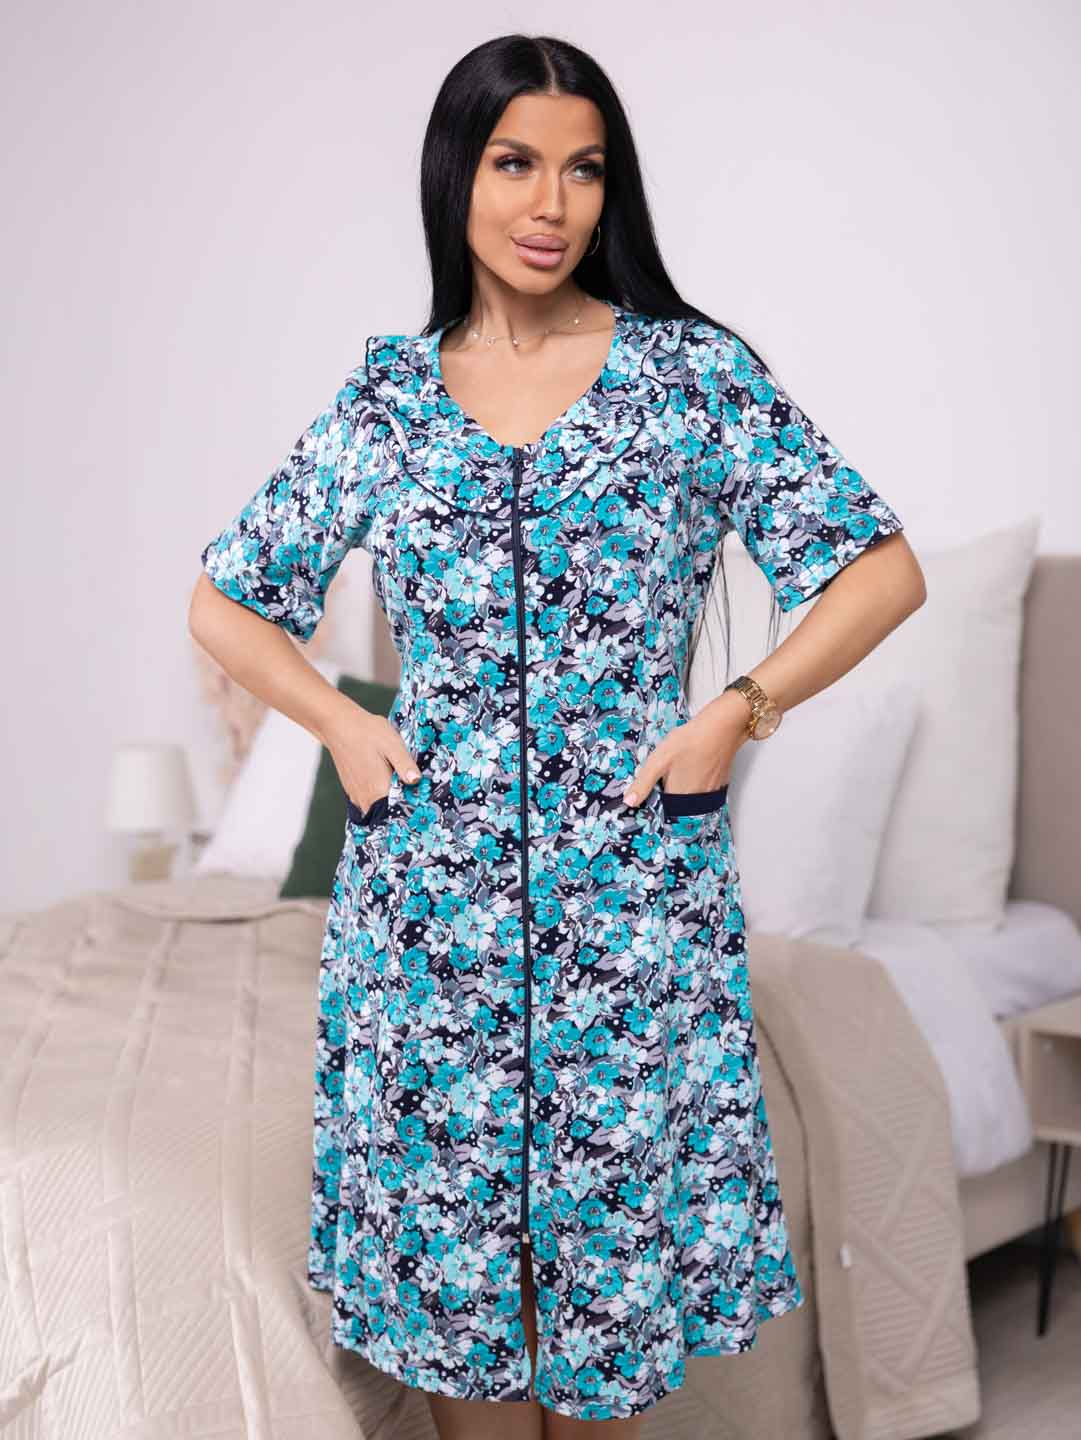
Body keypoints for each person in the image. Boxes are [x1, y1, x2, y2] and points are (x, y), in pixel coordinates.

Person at [188, 32, 926, 1440]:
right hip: (426, 925)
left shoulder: (691, 381)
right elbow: (224, 603)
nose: (550, 203)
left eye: (583, 170)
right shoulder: (386, 401)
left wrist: (736, 712)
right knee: (460, 1328)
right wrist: (340, 722)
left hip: (630, 912)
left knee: (602, 1315)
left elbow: (880, 573)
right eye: (515, 162)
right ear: (454, 175)